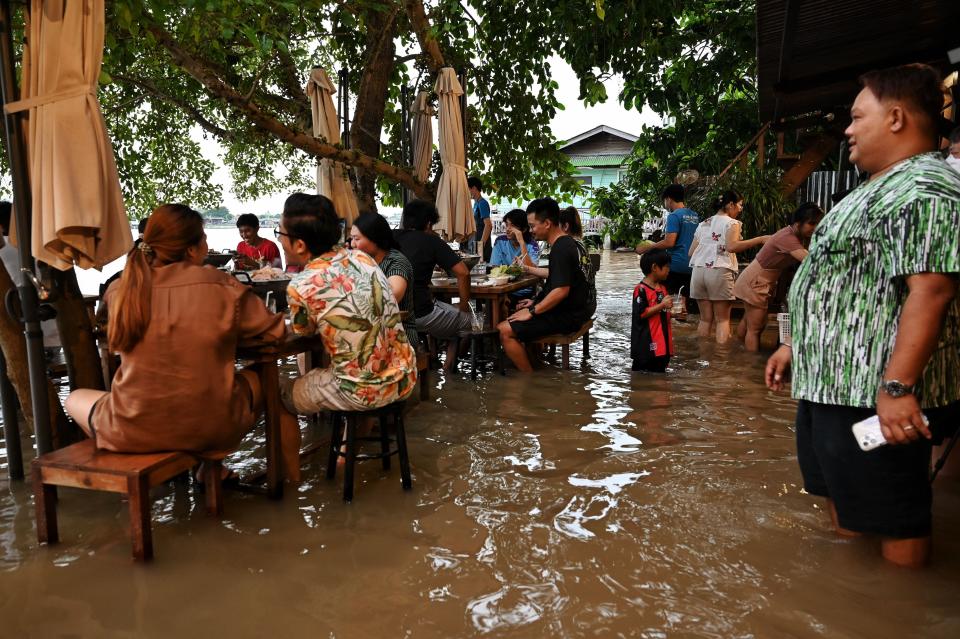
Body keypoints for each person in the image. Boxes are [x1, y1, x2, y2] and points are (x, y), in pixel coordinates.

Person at [765, 63, 960, 568]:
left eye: (857, 117)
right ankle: (853, 599)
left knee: (896, 517)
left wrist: (897, 388)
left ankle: (899, 608)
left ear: (895, 118)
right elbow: (849, 282)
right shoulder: (883, 185)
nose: (847, 130)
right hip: (835, 386)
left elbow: (931, 290)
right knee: (847, 502)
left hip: (873, 397)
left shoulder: (926, 188)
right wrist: (796, 344)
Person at [64, 204, 285, 459]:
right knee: (262, 375)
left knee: (74, 399)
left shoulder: (121, 290)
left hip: (131, 427)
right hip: (211, 429)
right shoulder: (220, 284)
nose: (207, 243)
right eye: (204, 237)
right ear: (191, 249)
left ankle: (145, 459)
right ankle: (209, 465)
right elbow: (274, 331)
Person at [277, 193, 417, 480]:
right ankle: (344, 456)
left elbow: (303, 332)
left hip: (361, 391)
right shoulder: (363, 259)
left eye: (280, 233)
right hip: (403, 376)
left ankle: (288, 483)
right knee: (353, 367)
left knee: (277, 395)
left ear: (300, 244)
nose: (279, 239)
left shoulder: (301, 285)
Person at [499, 198, 593, 372]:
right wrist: (535, 302)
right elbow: (560, 281)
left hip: (569, 315)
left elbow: (561, 291)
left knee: (503, 330)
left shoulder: (561, 248)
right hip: (577, 309)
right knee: (515, 314)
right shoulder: (569, 243)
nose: (531, 230)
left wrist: (533, 310)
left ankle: (529, 380)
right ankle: (536, 365)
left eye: (533, 225)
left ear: (548, 223)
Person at [733, 202, 824, 351]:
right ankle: (749, 366)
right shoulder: (787, 238)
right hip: (755, 281)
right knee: (756, 328)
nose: (815, 228)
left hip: (756, 279)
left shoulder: (796, 235)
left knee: (748, 320)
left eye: (817, 224)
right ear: (797, 223)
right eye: (811, 223)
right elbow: (811, 260)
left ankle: (737, 351)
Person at [394, 199, 472, 371]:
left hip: (392, 315)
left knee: (449, 318)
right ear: (429, 223)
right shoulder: (431, 241)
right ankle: (450, 374)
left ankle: (437, 361)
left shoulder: (390, 238)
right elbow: (463, 272)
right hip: (421, 314)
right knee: (468, 322)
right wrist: (465, 305)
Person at [688, 190, 769, 343]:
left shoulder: (704, 223)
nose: (741, 208)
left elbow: (691, 252)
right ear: (730, 204)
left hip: (698, 273)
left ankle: (702, 356)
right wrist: (759, 239)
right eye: (740, 205)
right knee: (722, 321)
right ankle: (721, 361)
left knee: (705, 320)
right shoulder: (732, 223)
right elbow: (732, 247)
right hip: (719, 272)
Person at [349, 212, 420, 349]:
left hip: (399, 334)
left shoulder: (395, 261)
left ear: (375, 239)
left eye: (357, 239)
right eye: (351, 238)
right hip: (368, 330)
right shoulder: (362, 262)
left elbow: (392, 296)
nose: (352, 244)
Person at [635, 184, 699, 311]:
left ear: (668, 199)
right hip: (692, 265)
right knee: (684, 305)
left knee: (666, 304)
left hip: (675, 265)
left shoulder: (674, 216)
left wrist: (647, 248)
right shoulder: (694, 215)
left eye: (664, 201)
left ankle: (670, 329)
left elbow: (669, 242)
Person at [631, 249, 675, 373]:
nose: (668, 270)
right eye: (666, 267)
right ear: (655, 267)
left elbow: (662, 312)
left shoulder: (662, 289)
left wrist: (673, 313)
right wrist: (662, 306)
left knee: (661, 381)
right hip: (646, 347)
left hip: (663, 345)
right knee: (644, 379)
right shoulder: (640, 290)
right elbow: (641, 313)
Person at [468, 176, 492, 262]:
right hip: (475, 243)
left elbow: (488, 225)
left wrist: (481, 245)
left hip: (482, 247)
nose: (467, 192)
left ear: (474, 188)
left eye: (468, 189)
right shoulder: (475, 203)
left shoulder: (482, 203)